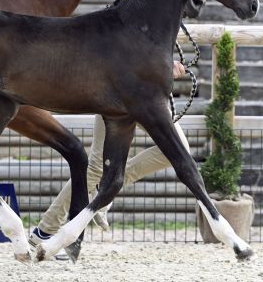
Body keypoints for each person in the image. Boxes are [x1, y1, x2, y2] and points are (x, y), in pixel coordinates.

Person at [28, 61, 191, 259]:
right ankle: (47, 229)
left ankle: (102, 190)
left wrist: (165, 65)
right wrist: (161, 65)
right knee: (95, 168)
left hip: (148, 93)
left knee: (176, 152)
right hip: (119, 92)